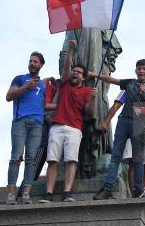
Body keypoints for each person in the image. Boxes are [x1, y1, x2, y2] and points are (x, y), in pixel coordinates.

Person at [92, 59, 145, 199]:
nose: (143, 71)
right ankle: (108, 189)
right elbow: (113, 84)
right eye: (140, 68)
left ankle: (139, 191)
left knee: (141, 161)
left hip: (141, 125)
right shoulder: (128, 84)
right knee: (117, 156)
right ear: (136, 70)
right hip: (124, 121)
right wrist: (95, 75)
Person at [39, 40, 97, 203]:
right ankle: (48, 193)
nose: (75, 73)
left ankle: (67, 192)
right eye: (74, 71)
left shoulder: (86, 91)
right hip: (56, 127)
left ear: (83, 78)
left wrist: (92, 99)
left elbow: (89, 113)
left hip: (75, 128)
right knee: (52, 160)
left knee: (71, 160)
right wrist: (71, 49)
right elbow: (66, 67)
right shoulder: (64, 84)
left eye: (79, 72)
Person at [5, 52, 47, 205]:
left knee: (31, 160)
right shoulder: (19, 78)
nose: (32, 63)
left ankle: (26, 195)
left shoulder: (43, 84)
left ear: (41, 65)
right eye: (30, 61)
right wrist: (26, 86)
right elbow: (9, 96)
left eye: (35, 61)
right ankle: (11, 194)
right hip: (20, 121)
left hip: (37, 124)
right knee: (16, 156)